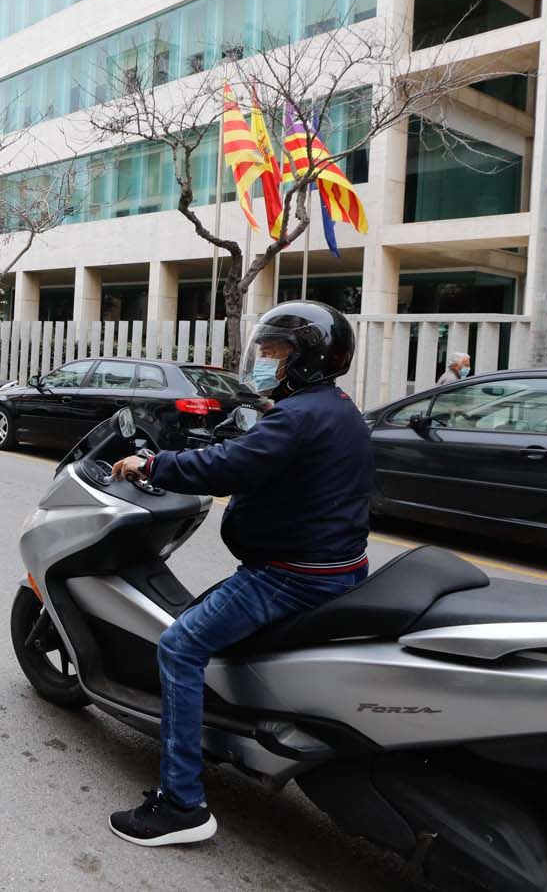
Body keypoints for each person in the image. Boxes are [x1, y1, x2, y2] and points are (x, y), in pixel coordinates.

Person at [106, 301, 372, 847]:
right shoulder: (338, 408)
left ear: (306, 361)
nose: (265, 360)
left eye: (276, 352)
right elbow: (258, 458)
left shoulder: (298, 416)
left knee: (180, 647)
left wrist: (151, 464)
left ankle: (181, 804)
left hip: (291, 575)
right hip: (338, 565)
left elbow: (227, 468)